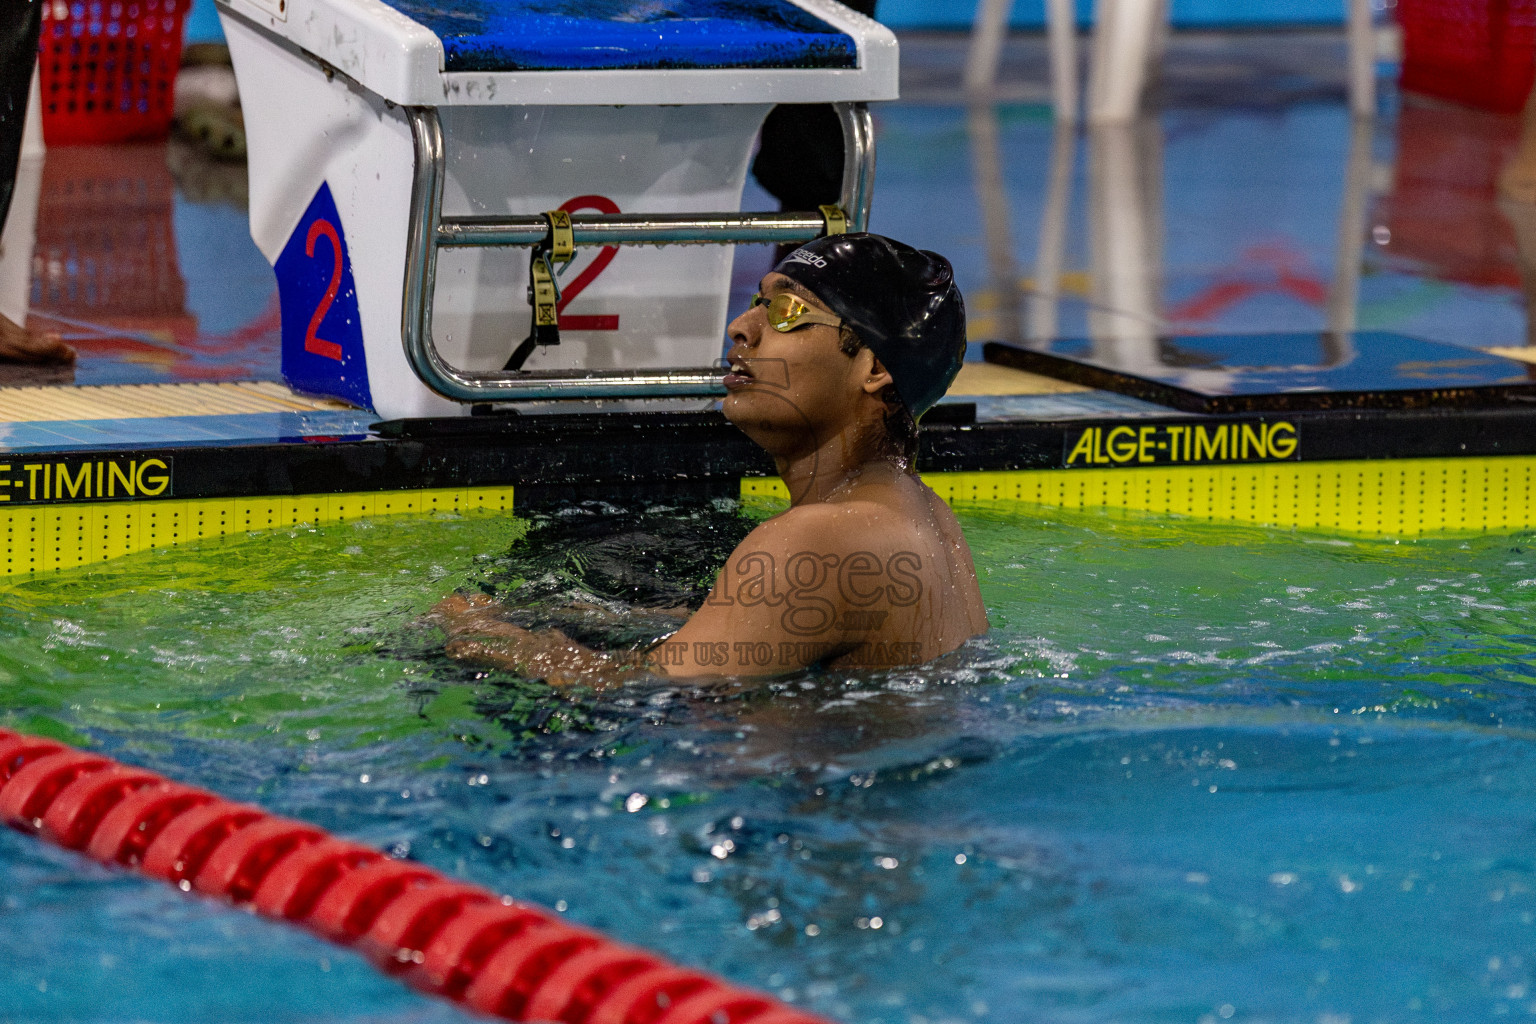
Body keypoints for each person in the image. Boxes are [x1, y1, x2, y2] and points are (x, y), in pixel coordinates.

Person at [431, 233, 989, 683]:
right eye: (758, 303)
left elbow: (629, 689)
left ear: (873, 369)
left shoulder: (816, 539)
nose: (742, 328)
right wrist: (616, 621)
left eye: (789, 312)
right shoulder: (923, 514)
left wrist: (491, 635)